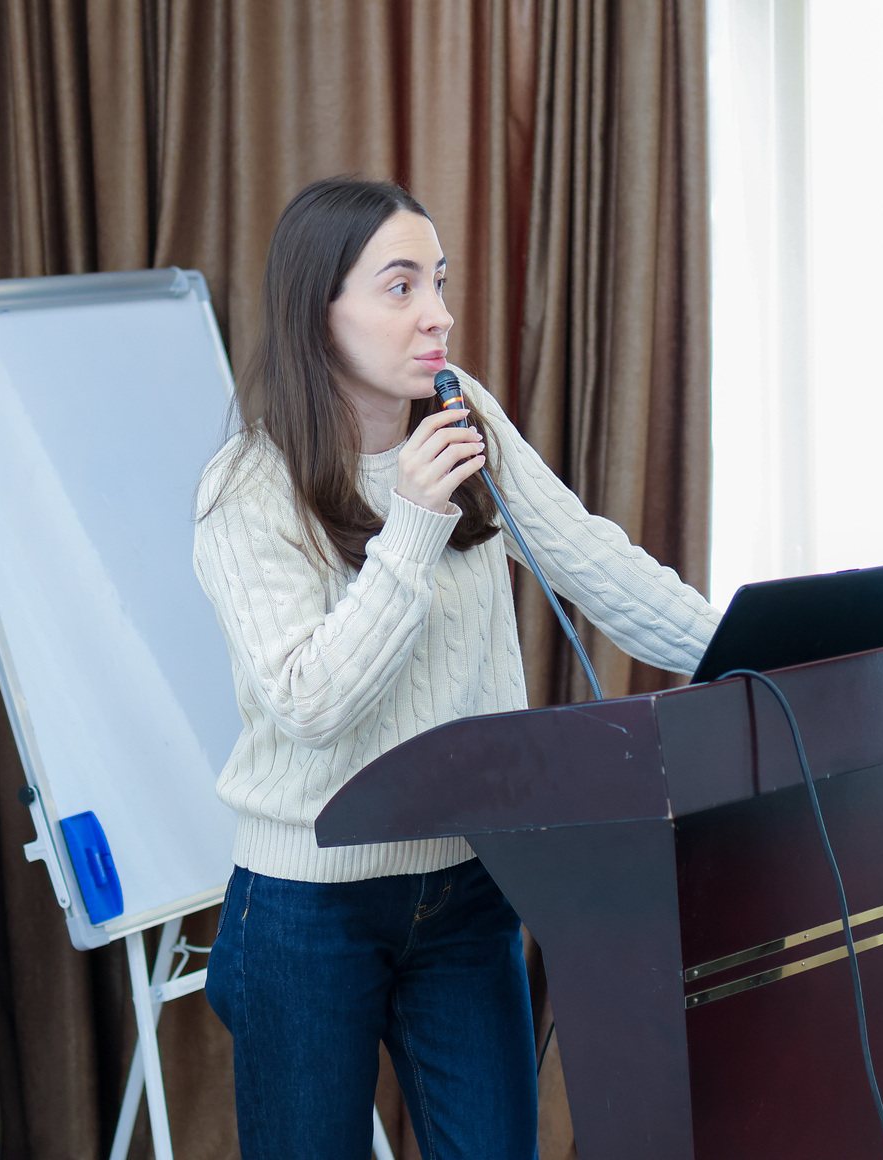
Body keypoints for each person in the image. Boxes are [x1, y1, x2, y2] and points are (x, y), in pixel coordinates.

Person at [193, 175, 719, 1160]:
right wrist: (414, 522)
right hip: (307, 905)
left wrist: (741, 648)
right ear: (318, 310)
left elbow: (590, 559)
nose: (436, 313)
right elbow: (310, 701)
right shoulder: (248, 487)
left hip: (468, 886)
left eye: (438, 280)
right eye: (400, 287)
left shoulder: (462, 414)